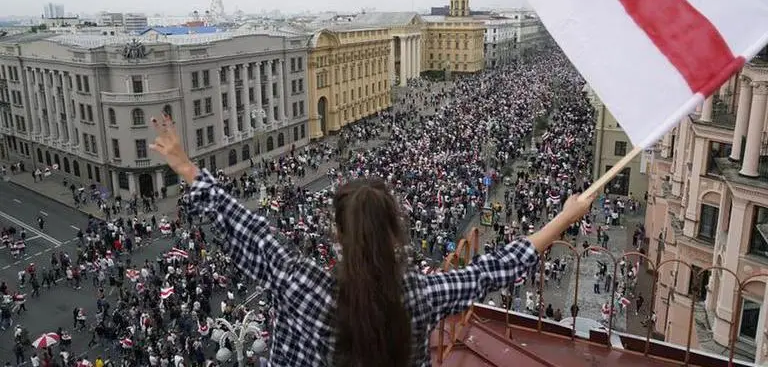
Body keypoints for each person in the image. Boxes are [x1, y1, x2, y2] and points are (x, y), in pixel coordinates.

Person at [149, 114, 595, 366]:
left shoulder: (299, 282)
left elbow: (245, 227)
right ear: (394, 232)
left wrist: (186, 167)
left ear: (337, 232)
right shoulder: (418, 295)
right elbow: (493, 270)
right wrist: (564, 217)